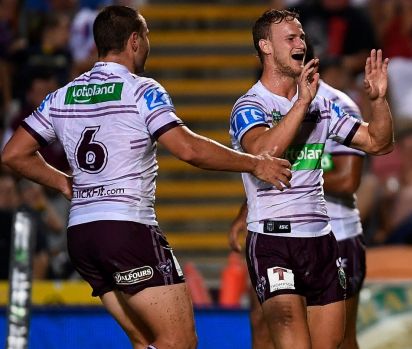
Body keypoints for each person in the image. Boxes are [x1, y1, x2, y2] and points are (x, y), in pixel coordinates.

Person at [1, 5, 292, 349]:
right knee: (179, 341)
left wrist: (65, 183)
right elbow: (187, 149)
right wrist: (255, 164)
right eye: (148, 38)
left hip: (81, 235)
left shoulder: (62, 95)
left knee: (145, 341)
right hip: (126, 229)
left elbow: (12, 153)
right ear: (135, 41)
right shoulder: (140, 89)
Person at [229, 9, 393, 349]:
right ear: (266, 47)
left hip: (321, 241)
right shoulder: (250, 105)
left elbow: (379, 143)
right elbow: (263, 152)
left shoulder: (325, 105)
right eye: (290, 38)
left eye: (302, 36)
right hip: (273, 242)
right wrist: (302, 103)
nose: (301, 42)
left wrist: (377, 101)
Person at [229, 79, 368, 349]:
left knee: (340, 340)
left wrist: (306, 169)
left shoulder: (336, 104)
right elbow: (266, 166)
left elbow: (349, 180)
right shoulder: (257, 104)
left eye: (298, 40)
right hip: (277, 233)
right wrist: (244, 211)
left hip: (335, 234)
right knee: (264, 322)